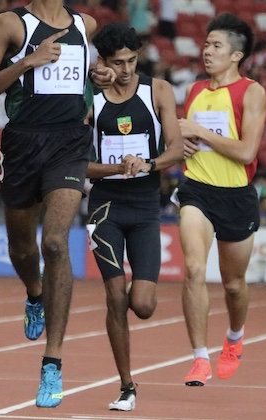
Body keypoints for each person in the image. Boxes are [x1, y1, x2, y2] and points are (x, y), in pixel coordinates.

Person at [0, 0, 115, 408]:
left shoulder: (86, 25)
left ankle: (52, 363)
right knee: (21, 246)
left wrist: (103, 77)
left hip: (70, 144)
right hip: (23, 144)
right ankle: (33, 292)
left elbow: (90, 79)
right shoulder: (10, 24)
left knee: (55, 241)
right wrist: (28, 61)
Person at [86, 22, 183, 410]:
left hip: (144, 208)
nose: (126, 69)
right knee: (114, 296)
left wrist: (147, 164)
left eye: (131, 61)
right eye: (117, 62)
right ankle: (126, 385)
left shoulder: (158, 90)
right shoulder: (89, 98)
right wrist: (117, 168)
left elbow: (177, 149)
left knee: (141, 304)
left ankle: (126, 322)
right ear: (102, 62)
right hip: (105, 206)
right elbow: (77, 163)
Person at [174, 13, 266, 387]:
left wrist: (199, 132)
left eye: (216, 46)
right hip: (196, 190)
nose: (206, 51)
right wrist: (183, 143)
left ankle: (234, 336)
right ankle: (199, 357)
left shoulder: (252, 91)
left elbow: (246, 152)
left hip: (236, 196)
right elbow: (186, 141)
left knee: (233, 284)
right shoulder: (194, 91)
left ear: (235, 55)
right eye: (206, 44)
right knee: (194, 270)